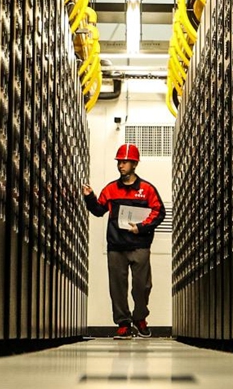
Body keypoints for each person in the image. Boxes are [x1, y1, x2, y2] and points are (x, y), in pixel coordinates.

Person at [83, 143, 166, 339]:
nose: (121, 165)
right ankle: (123, 324)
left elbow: (159, 212)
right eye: (119, 161)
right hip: (116, 246)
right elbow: (98, 210)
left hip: (139, 244)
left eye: (125, 161)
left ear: (135, 164)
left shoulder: (146, 189)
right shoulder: (110, 189)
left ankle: (140, 317)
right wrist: (89, 197)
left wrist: (142, 227)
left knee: (142, 286)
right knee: (117, 287)